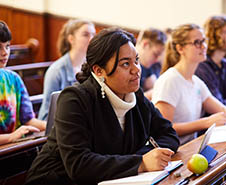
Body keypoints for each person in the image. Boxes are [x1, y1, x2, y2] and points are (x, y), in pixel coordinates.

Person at [25, 28, 179, 185]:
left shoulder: (135, 95)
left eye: (136, 60)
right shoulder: (74, 100)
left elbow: (169, 135)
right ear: (99, 70)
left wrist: (145, 159)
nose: (136, 69)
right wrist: (141, 162)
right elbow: (79, 165)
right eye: (126, 64)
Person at [38, 19, 96, 120]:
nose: (91, 39)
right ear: (71, 39)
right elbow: (47, 115)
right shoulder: (56, 71)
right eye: (85, 35)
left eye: (93, 35)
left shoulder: (94, 67)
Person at [0, 21, 46, 145]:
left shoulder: (14, 79)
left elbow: (28, 120)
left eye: (7, 46)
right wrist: (10, 137)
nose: (5, 53)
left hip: (14, 148)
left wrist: (51, 126)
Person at [136, 28, 167, 99]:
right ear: (145, 44)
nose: (156, 60)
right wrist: (153, 92)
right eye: (155, 54)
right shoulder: (129, 68)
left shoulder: (153, 67)